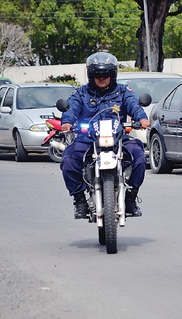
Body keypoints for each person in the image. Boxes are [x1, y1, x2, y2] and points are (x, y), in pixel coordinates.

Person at [60, 51, 150, 219]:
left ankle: (131, 197)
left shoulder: (122, 92)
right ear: (91, 75)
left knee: (139, 156)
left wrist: (142, 118)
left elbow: (133, 105)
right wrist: (67, 122)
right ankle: (79, 199)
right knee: (68, 160)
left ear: (113, 75)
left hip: (118, 138)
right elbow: (71, 109)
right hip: (87, 139)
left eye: (106, 74)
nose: (102, 78)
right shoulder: (81, 93)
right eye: (97, 75)